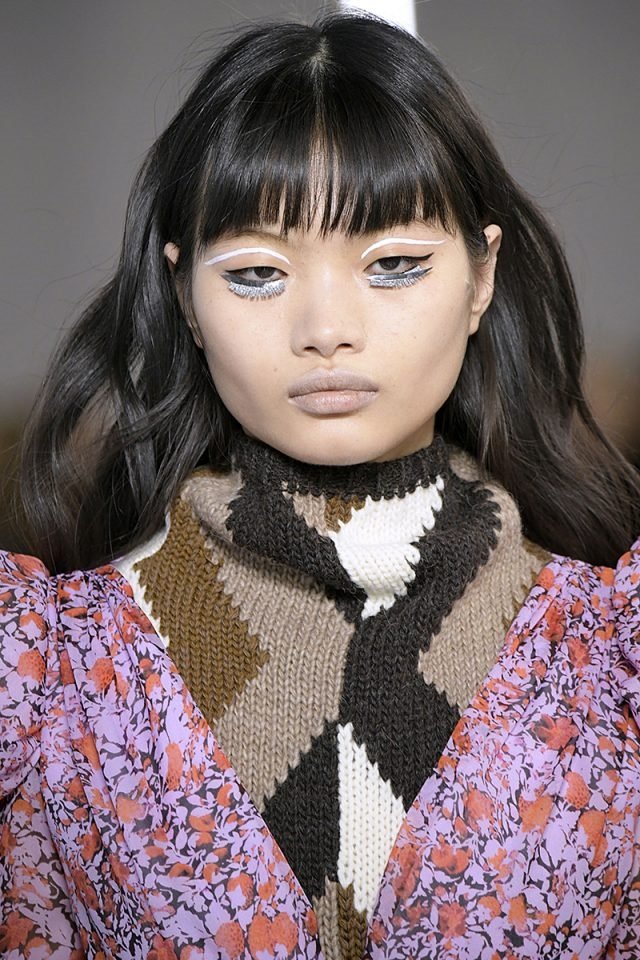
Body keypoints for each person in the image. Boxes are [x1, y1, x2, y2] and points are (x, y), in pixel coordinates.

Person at [1, 11, 639, 960]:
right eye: (258, 274)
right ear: (183, 295)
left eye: (395, 265)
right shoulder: (46, 677)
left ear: (481, 277)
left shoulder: (614, 664)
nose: (326, 328)